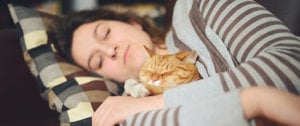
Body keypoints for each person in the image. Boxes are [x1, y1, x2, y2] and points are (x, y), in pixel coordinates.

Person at [54, 0, 300, 125]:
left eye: (106, 33)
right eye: (98, 61)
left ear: (132, 22)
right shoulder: (127, 104)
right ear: (107, 79)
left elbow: (291, 64)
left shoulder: (196, 8)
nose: (111, 50)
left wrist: (156, 103)